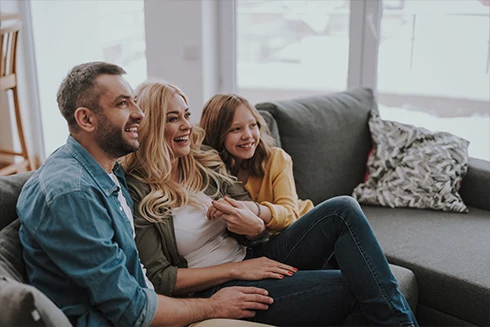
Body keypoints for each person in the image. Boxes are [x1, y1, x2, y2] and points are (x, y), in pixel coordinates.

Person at [124, 82, 419, 326]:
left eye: (186, 115)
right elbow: (160, 279)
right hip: (219, 282)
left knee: (342, 209)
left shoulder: (201, 162)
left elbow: (255, 222)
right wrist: (237, 271)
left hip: (255, 254)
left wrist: (253, 227)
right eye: (173, 118)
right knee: (359, 286)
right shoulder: (138, 189)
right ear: (149, 126)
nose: (187, 125)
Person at [17, 62, 273, 327]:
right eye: (123, 104)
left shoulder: (107, 171)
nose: (139, 114)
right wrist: (213, 306)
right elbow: (131, 308)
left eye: (134, 103)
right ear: (86, 119)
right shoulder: (73, 194)